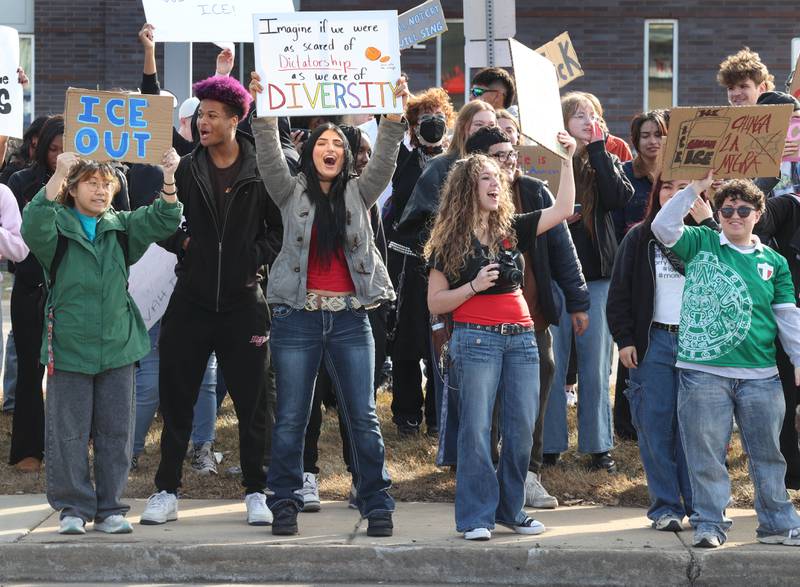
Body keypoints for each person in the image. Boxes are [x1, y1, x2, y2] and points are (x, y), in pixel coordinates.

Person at [250, 71, 408, 537]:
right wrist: (264, 106)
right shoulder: (288, 190)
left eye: (338, 142)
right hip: (296, 318)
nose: (330, 147)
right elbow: (266, 153)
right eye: (323, 141)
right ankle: (284, 502)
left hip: (350, 319)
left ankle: (376, 504)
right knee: (293, 416)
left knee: (363, 416)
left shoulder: (361, 193)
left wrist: (395, 114)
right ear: (310, 150)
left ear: (345, 154)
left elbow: (385, 160)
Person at [140, 75, 281, 527]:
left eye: (212, 115)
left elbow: (279, 232)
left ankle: (257, 491)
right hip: (192, 302)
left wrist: (253, 258)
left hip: (244, 303)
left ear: (235, 120)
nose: (203, 121)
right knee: (177, 399)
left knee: (253, 402)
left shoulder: (263, 170)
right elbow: (159, 220)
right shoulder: (183, 167)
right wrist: (184, 246)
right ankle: (166, 490)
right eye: (200, 113)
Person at [425, 128, 576, 540]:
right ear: (466, 189)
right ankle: (475, 516)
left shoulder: (513, 227)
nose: (497, 182)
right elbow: (436, 302)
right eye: (486, 177)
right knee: (475, 429)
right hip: (475, 340)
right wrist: (472, 286)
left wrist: (566, 157)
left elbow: (563, 209)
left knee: (521, 427)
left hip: (523, 339)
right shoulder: (450, 239)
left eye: (498, 176)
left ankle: (511, 510)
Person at [22, 149, 182, 534]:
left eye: (106, 184)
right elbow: (33, 224)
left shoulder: (122, 226)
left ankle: (110, 507)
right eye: (90, 183)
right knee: (68, 432)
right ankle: (73, 509)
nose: (100, 190)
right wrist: (60, 170)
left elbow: (164, 217)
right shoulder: (56, 226)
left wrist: (169, 177)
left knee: (116, 432)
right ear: (72, 190)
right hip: (69, 345)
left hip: (118, 344)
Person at [652, 173, 800, 548]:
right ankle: (709, 525)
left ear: (758, 213)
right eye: (727, 209)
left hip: (762, 376)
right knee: (705, 457)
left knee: (769, 455)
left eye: (743, 209)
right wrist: (692, 190)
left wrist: (799, 359)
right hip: (703, 374)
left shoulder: (775, 262)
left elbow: (787, 316)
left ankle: (777, 525)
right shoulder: (701, 242)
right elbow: (662, 226)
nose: (734, 216)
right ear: (717, 214)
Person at [463, 125, 589, 509]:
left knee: (530, 400)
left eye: (512, 154)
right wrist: (469, 289)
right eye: (500, 157)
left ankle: (525, 478)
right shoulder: (455, 222)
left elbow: (563, 226)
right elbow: (436, 288)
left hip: (529, 322)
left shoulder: (526, 204)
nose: (510, 163)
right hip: (477, 331)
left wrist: (577, 299)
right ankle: (485, 487)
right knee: (482, 412)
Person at [607, 175, 717, 532]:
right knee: (654, 426)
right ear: (657, 193)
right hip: (653, 342)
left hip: (697, 344)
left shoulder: (710, 238)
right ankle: (665, 507)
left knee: (696, 429)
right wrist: (625, 339)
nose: (674, 194)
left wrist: (711, 222)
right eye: (667, 187)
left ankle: (699, 505)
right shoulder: (640, 237)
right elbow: (619, 292)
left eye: (684, 187)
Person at [542, 92, 633, 473]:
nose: (585, 120)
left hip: (596, 276)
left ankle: (598, 447)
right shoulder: (545, 158)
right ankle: (548, 446)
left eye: (592, 115)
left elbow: (619, 198)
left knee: (596, 365)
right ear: (562, 121)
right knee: (552, 362)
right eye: (577, 115)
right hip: (554, 276)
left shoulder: (606, 159)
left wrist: (596, 149)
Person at [384, 88, 455, 437]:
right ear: (412, 127)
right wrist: (399, 113)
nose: (431, 125)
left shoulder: (457, 162)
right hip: (407, 262)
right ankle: (406, 413)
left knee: (440, 339)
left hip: (445, 261)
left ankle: (438, 415)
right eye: (423, 119)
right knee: (406, 340)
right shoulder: (401, 159)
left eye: (437, 117)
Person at [611, 108, 669, 441]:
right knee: (630, 341)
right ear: (634, 141)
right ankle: (626, 422)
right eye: (645, 135)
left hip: (669, 267)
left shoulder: (677, 176)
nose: (652, 141)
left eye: (658, 134)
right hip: (631, 265)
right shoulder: (624, 174)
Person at [753, 90, 800, 490]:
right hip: (770, 289)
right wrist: (768, 161)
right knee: (783, 387)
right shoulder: (747, 170)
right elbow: (753, 217)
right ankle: (787, 474)